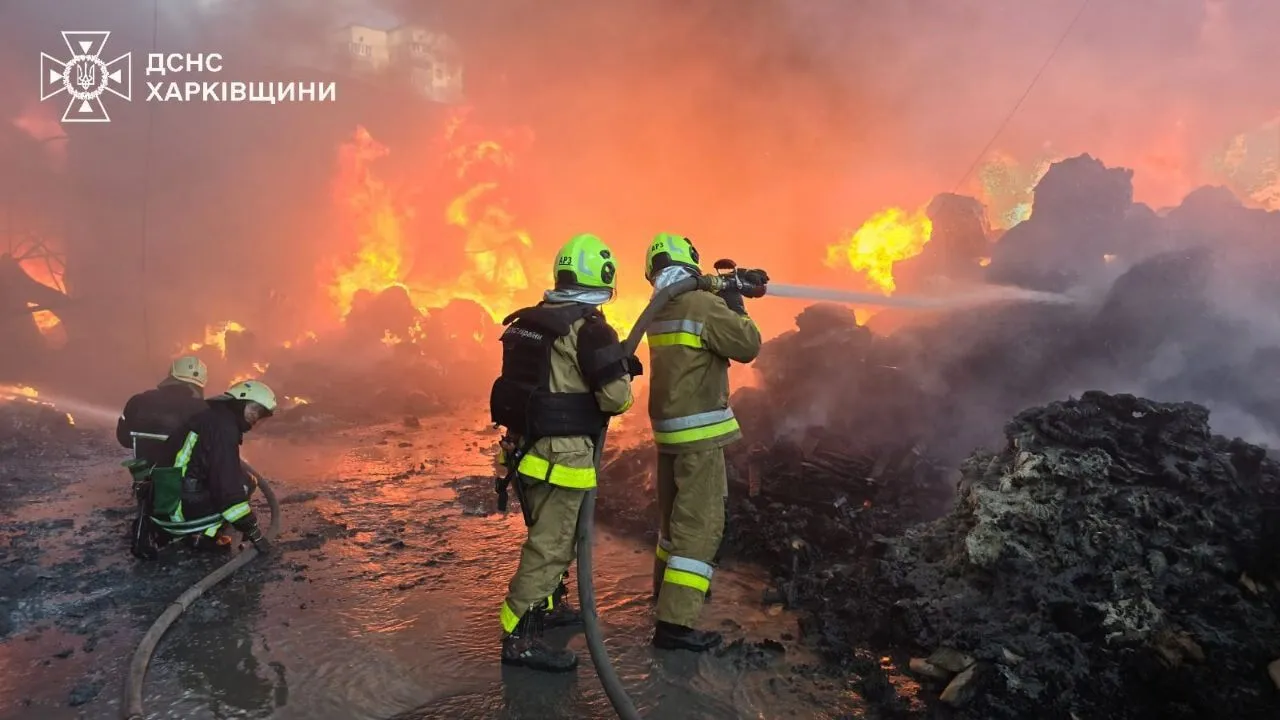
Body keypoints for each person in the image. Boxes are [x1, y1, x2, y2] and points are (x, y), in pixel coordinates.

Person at [489, 233, 642, 672]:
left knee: (551, 536)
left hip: (524, 451)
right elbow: (615, 399)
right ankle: (519, 638)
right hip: (562, 456)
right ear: (604, 278)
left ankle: (548, 607)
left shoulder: (531, 320)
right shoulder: (590, 329)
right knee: (551, 545)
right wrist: (619, 376)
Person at [643, 233, 766, 652]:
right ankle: (675, 625)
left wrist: (726, 288)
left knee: (672, 521)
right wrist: (735, 301)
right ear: (691, 264)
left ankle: (664, 594)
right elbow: (747, 345)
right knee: (701, 526)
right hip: (698, 435)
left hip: (669, 431)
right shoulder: (700, 304)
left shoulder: (659, 307)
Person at [130, 379, 277, 560]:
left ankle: (193, 532)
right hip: (179, 512)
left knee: (237, 477)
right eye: (254, 409)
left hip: (163, 505)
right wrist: (252, 529)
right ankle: (203, 537)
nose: (256, 416)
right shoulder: (223, 429)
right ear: (239, 402)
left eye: (260, 413)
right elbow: (227, 491)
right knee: (245, 483)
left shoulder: (210, 418)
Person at [116, 356, 210, 466]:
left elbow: (124, 439)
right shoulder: (206, 411)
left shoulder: (137, 401)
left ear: (171, 375)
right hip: (187, 479)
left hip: (144, 476)